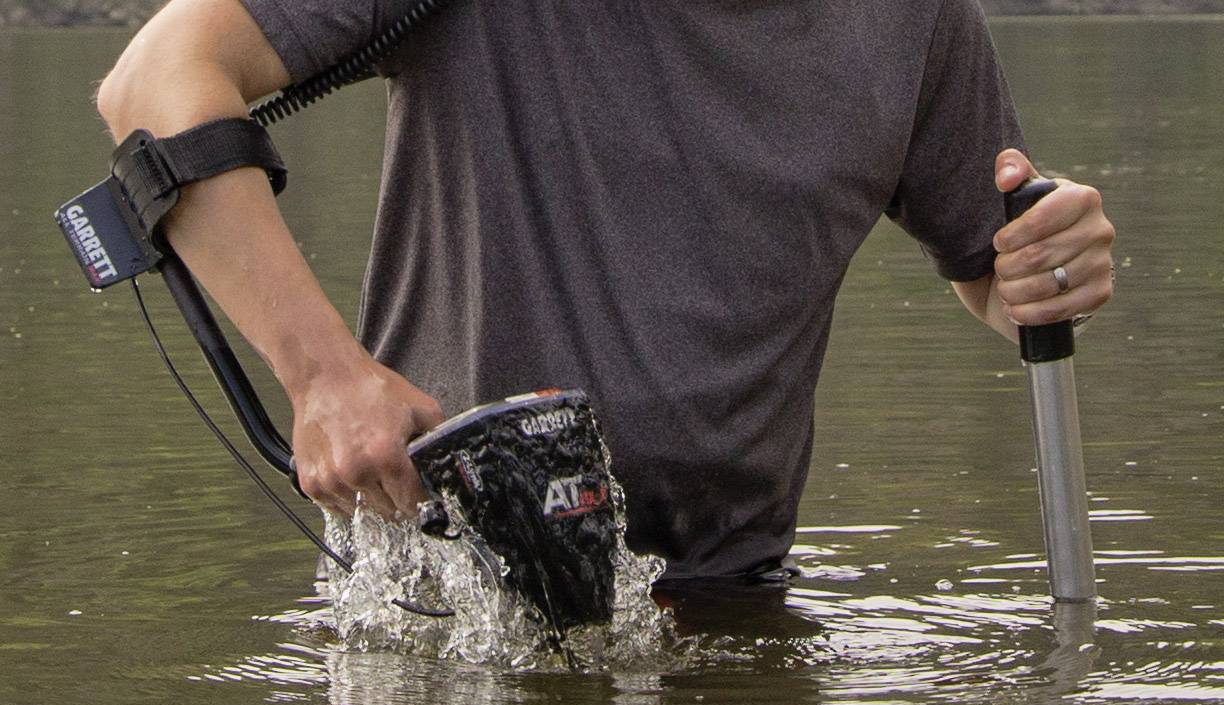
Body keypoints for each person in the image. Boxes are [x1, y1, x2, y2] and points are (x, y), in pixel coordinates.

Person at [96, 0, 1114, 581]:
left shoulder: (912, 18)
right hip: (443, 599)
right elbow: (156, 81)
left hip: (731, 603)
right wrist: (323, 378)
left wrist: (1042, 267)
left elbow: (994, 267)